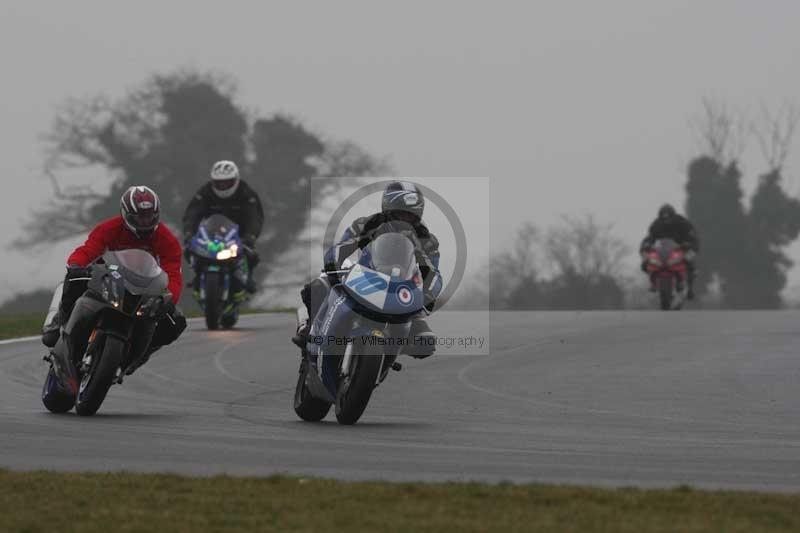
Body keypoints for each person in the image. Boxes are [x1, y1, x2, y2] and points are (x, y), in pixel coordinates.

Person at [41, 185, 187, 372]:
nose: (144, 221)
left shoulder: (167, 240)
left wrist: (167, 299)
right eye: (139, 216)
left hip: (144, 291)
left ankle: (141, 354)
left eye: (149, 216)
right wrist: (76, 266)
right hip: (108, 280)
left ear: (156, 214)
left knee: (176, 321)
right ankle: (61, 322)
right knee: (74, 279)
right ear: (127, 214)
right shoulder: (109, 228)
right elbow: (88, 250)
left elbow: (174, 274)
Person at [293, 181, 442, 358]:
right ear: (387, 209)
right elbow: (341, 247)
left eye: (410, 216)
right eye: (400, 214)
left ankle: (397, 347)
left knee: (425, 340)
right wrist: (333, 266)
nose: (404, 220)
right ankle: (308, 327)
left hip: (401, 289)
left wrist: (427, 294)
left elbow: (433, 272)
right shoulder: (367, 224)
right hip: (363, 276)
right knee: (320, 284)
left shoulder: (426, 240)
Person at [182, 160, 264, 294]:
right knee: (188, 249)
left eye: (226, 182)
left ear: (235, 180)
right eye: (219, 182)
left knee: (251, 255)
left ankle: (247, 278)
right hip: (211, 234)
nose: (223, 185)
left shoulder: (246, 193)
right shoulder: (205, 191)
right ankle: (198, 274)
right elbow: (192, 213)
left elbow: (254, 217)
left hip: (239, 235)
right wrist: (189, 233)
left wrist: (251, 236)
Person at [640, 203, 700, 299]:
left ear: (673, 216)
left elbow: (692, 237)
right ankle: (653, 281)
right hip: (664, 250)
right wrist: (645, 246)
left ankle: (690, 289)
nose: (666, 220)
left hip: (683, 248)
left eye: (668, 218)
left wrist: (689, 243)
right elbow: (650, 238)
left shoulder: (683, 223)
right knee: (645, 263)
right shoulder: (656, 224)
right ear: (660, 217)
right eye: (663, 218)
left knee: (689, 262)